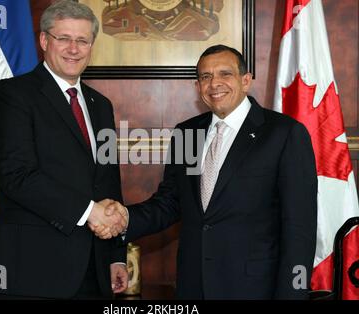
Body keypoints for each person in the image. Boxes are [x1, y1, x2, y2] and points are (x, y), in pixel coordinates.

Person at [92, 44, 318, 299]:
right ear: (198, 87)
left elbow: (299, 227)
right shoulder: (187, 133)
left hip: (255, 289)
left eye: (225, 74)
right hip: (193, 285)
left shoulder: (284, 133)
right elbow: (170, 203)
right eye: (205, 77)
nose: (214, 84)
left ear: (246, 81)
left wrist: (294, 294)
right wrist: (124, 218)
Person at [0, 0, 128, 299]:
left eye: (82, 40)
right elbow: (17, 176)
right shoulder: (11, 95)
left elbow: (108, 180)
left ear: (91, 45)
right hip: (33, 269)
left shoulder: (100, 105)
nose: (73, 49)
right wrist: (89, 212)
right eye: (64, 38)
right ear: (44, 40)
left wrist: (115, 255)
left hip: (94, 269)